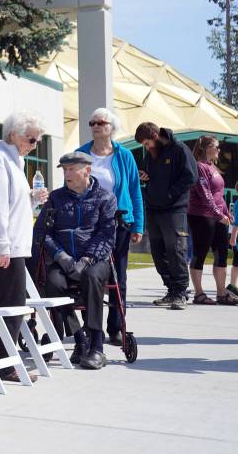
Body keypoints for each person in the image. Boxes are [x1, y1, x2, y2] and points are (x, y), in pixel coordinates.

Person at [0, 110, 47, 383]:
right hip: (7, 249)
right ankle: (4, 364)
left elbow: (11, 204)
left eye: (37, 141)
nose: (34, 145)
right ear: (14, 135)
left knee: (6, 306)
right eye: (31, 140)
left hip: (13, 246)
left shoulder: (12, 160)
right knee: (12, 307)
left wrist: (31, 198)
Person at [36, 152, 116, 370]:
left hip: (94, 259)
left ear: (87, 170)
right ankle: (80, 338)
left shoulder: (105, 197)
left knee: (91, 278)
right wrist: (61, 256)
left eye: (71, 169)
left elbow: (106, 234)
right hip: (63, 259)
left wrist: (87, 260)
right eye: (64, 169)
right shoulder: (56, 197)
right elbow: (43, 231)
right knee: (53, 283)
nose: (67, 173)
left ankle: (97, 347)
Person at [76, 108, 144, 345]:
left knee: (118, 276)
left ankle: (116, 327)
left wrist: (138, 224)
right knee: (88, 274)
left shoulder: (124, 155)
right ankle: (90, 325)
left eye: (100, 122)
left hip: (119, 222)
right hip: (88, 223)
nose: (95, 125)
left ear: (111, 127)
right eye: (92, 122)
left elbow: (135, 190)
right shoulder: (81, 154)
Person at [135, 122, 198, 310]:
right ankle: (171, 290)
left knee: (175, 250)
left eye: (147, 144)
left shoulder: (179, 149)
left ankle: (181, 293)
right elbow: (155, 177)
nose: (146, 148)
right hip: (154, 209)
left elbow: (191, 176)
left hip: (174, 209)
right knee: (158, 252)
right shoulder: (152, 155)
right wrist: (145, 176)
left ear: (156, 136)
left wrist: (170, 194)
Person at [187, 135, 238, 305]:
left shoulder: (212, 167)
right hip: (201, 216)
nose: (219, 150)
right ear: (205, 148)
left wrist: (225, 212)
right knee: (200, 254)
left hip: (217, 216)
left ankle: (222, 293)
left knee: (221, 254)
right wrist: (219, 215)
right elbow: (205, 195)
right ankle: (199, 294)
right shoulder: (200, 167)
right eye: (216, 147)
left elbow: (219, 195)